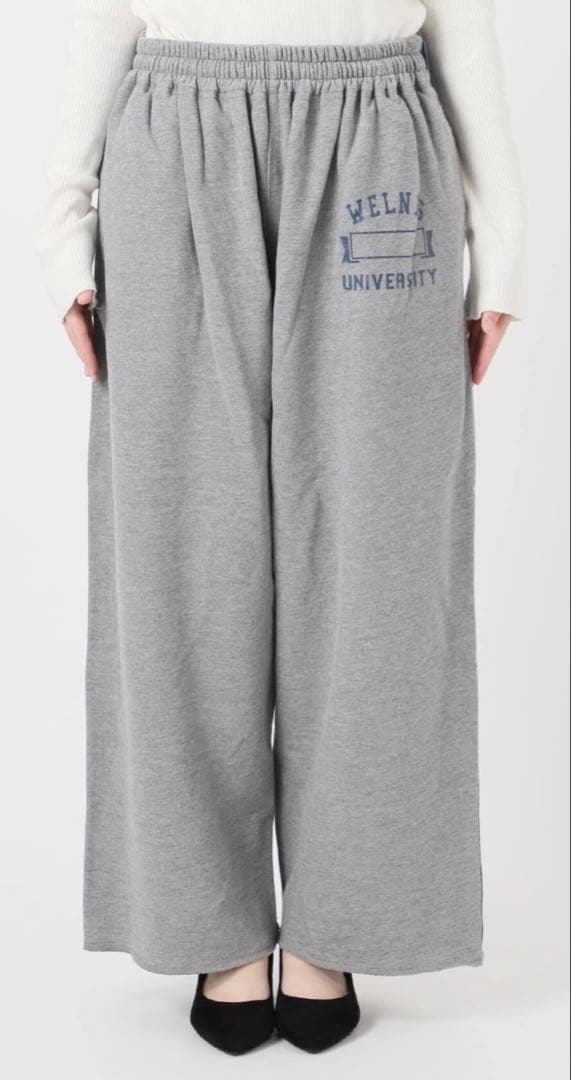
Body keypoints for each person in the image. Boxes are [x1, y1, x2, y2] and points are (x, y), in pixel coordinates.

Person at [37, 0, 525, 1057]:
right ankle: (207, 923)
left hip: (377, 142)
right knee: (179, 558)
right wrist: (60, 223)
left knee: (379, 562)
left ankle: (340, 921)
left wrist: (507, 243)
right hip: (174, 141)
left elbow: (465, 18)